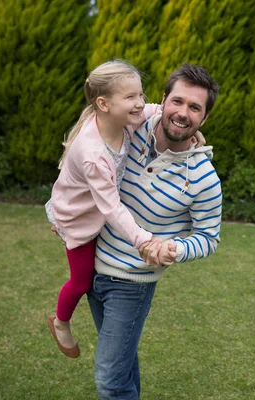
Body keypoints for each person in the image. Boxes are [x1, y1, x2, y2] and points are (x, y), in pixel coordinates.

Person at [45, 60, 204, 359]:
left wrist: (189, 130)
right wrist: (143, 239)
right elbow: (112, 209)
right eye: (130, 97)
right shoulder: (93, 154)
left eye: (140, 94)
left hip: (95, 208)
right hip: (79, 217)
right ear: (103, 104)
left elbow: (158, 110)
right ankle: (61, 322)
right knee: (81, 279)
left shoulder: (126, 119)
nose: (139, 103)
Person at [87, 63, 222, 399]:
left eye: (194, 108)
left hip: (132, 283)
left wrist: (174, 248)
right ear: (162, 100)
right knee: (122, 364)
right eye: (177, 101)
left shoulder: (205, 179)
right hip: (92, 263)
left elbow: (209, 237)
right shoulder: (132, 127)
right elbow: (99, 110)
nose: (182, 113)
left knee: (109, 379)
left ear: (204, 119)